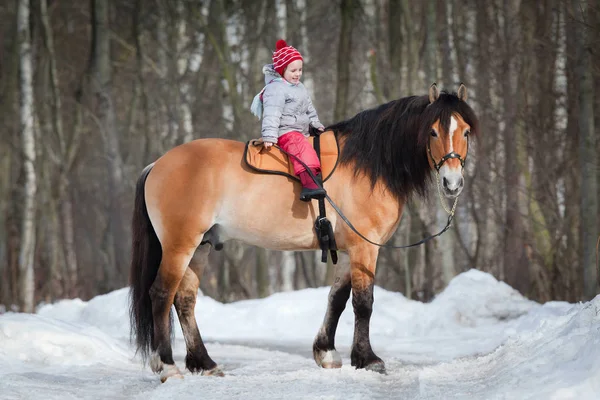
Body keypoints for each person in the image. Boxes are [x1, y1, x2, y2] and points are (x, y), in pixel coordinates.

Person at [250, 39, 326, 202]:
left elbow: (309, 108)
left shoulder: (299, 87)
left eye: (300, 70)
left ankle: (321, 175)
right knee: (300, 147)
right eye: (293, 70)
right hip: (286, 132)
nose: (297, 74)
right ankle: (309, 184)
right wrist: (270, 136)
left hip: (300, 130)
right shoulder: (276, 88)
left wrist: (315, 124)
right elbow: (272, 113)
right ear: (281, 70)